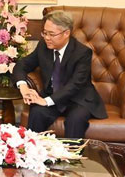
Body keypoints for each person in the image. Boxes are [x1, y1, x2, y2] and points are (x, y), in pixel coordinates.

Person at [13, 10, 106, 139]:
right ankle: (33, 150)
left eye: (51, 34)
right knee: (37, 112)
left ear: (66, 33)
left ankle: (71, 152)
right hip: (52, 94)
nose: (47, 37)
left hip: (77, 99)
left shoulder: (82, 53)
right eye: (44, 33)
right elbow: (22, 65)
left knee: (75, 120)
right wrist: (23, 87)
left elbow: (75, 85)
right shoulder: (44, 46)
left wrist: (46, 101)